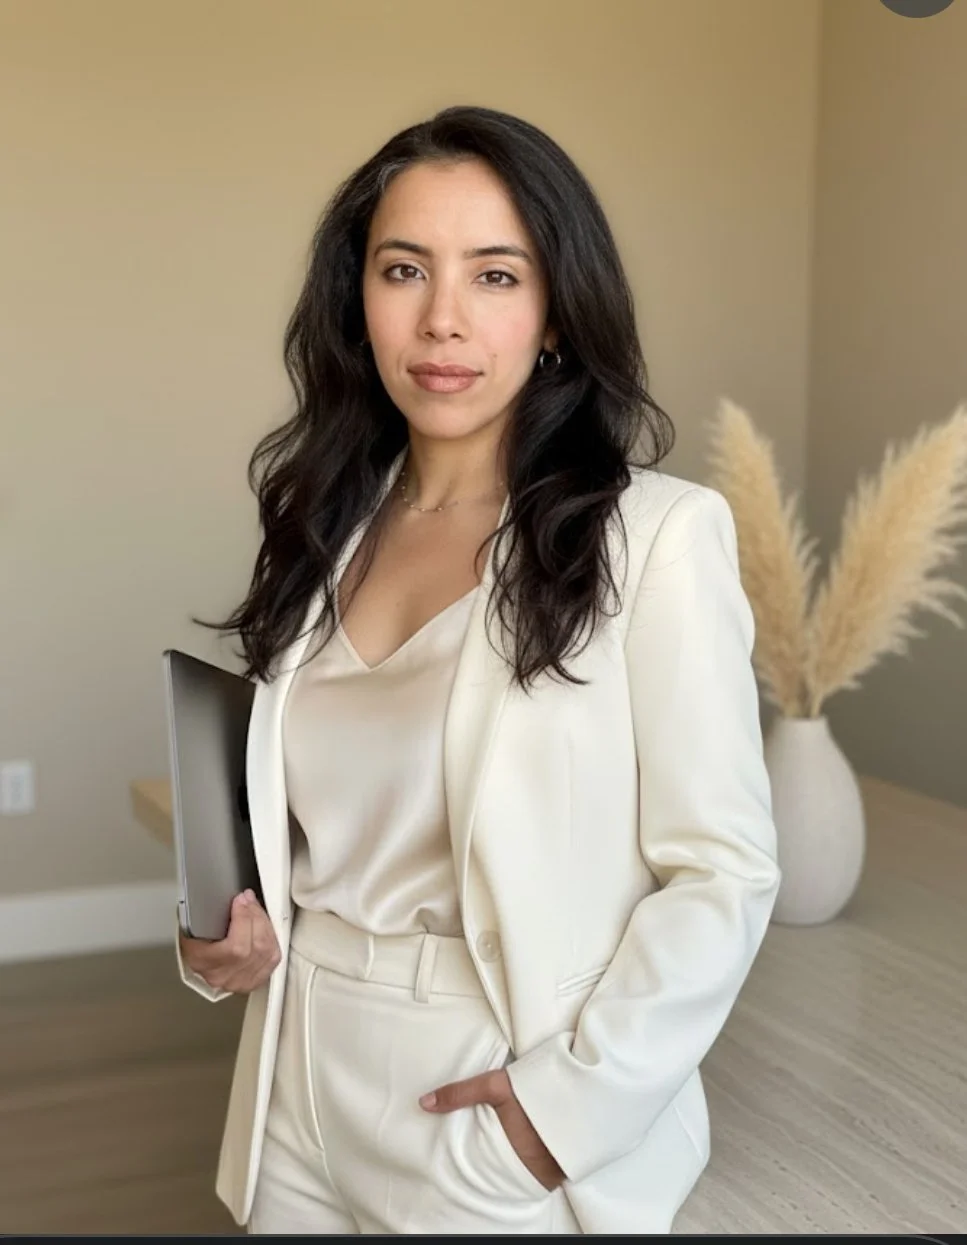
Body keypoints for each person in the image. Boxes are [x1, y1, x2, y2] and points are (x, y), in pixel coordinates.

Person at [176, 103, 781, 1236]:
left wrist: (561, 1113)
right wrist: (219, 939)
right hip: (294, 1078)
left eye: (495, 276)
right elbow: (302, 830)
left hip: (487, 1084)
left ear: (554, 313)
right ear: (358, 299)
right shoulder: (323, 525)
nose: (442, 319)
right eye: (404, 269)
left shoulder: (655, 538)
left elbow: (723, 871)